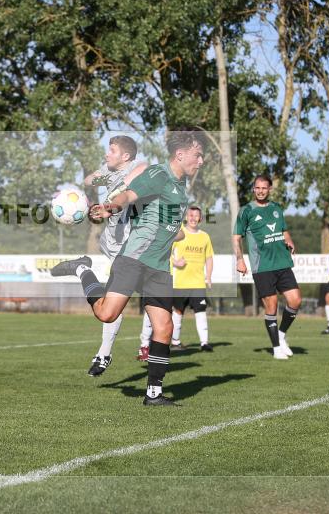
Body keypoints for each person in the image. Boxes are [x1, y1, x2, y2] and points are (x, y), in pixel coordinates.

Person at [51, 130, 203, 406]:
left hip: (159, 267)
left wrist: (179, 235)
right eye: (197, 155)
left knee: (164, 327)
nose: (200, 161)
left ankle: (153, 393)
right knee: (107, 314)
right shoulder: (158, 174)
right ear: (180, 155)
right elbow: (128, 194)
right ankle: (83, 270)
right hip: (134, 258)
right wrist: (111, 206)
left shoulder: (180, 188)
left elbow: (168, 224)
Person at [82, 135, 146, 377]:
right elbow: (89, 180)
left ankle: (142, 345)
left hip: (139, 245)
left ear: (126, 156)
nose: (107, 154)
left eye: (112, 150)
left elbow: (140, 178)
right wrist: (105, 175)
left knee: (155, 301)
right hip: (117, 246)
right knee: (114, 302)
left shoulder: (139, 169)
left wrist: (116, 194)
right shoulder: (109, 171)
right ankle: (105, 353)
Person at [233, 175, 301, 360]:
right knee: (271, 306)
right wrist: (239, 259)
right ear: (253, 189)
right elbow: (236, 237)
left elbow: (283, 230)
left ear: (270, 189)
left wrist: (289, 240)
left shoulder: (276, 208)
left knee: (295, 300)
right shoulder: (246, 211)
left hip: (282, 262)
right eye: (257, 188)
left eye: (264, 188)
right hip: (262, 266)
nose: (261, 191)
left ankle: (281, 334)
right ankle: (276, 347)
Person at [168, 206, 214, 351]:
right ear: (186, 217)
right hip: (179, 282)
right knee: (178, 312)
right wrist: (175, 262)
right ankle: (175, 342)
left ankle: (204, 343)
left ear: (200, 218)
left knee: (200, 311)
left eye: (196, 216)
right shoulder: (178, 233)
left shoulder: (205, 236)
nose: (193, 218)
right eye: (191, 215)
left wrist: (208, 276)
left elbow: (209, 257)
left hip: (198, 283)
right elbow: (164, 251)